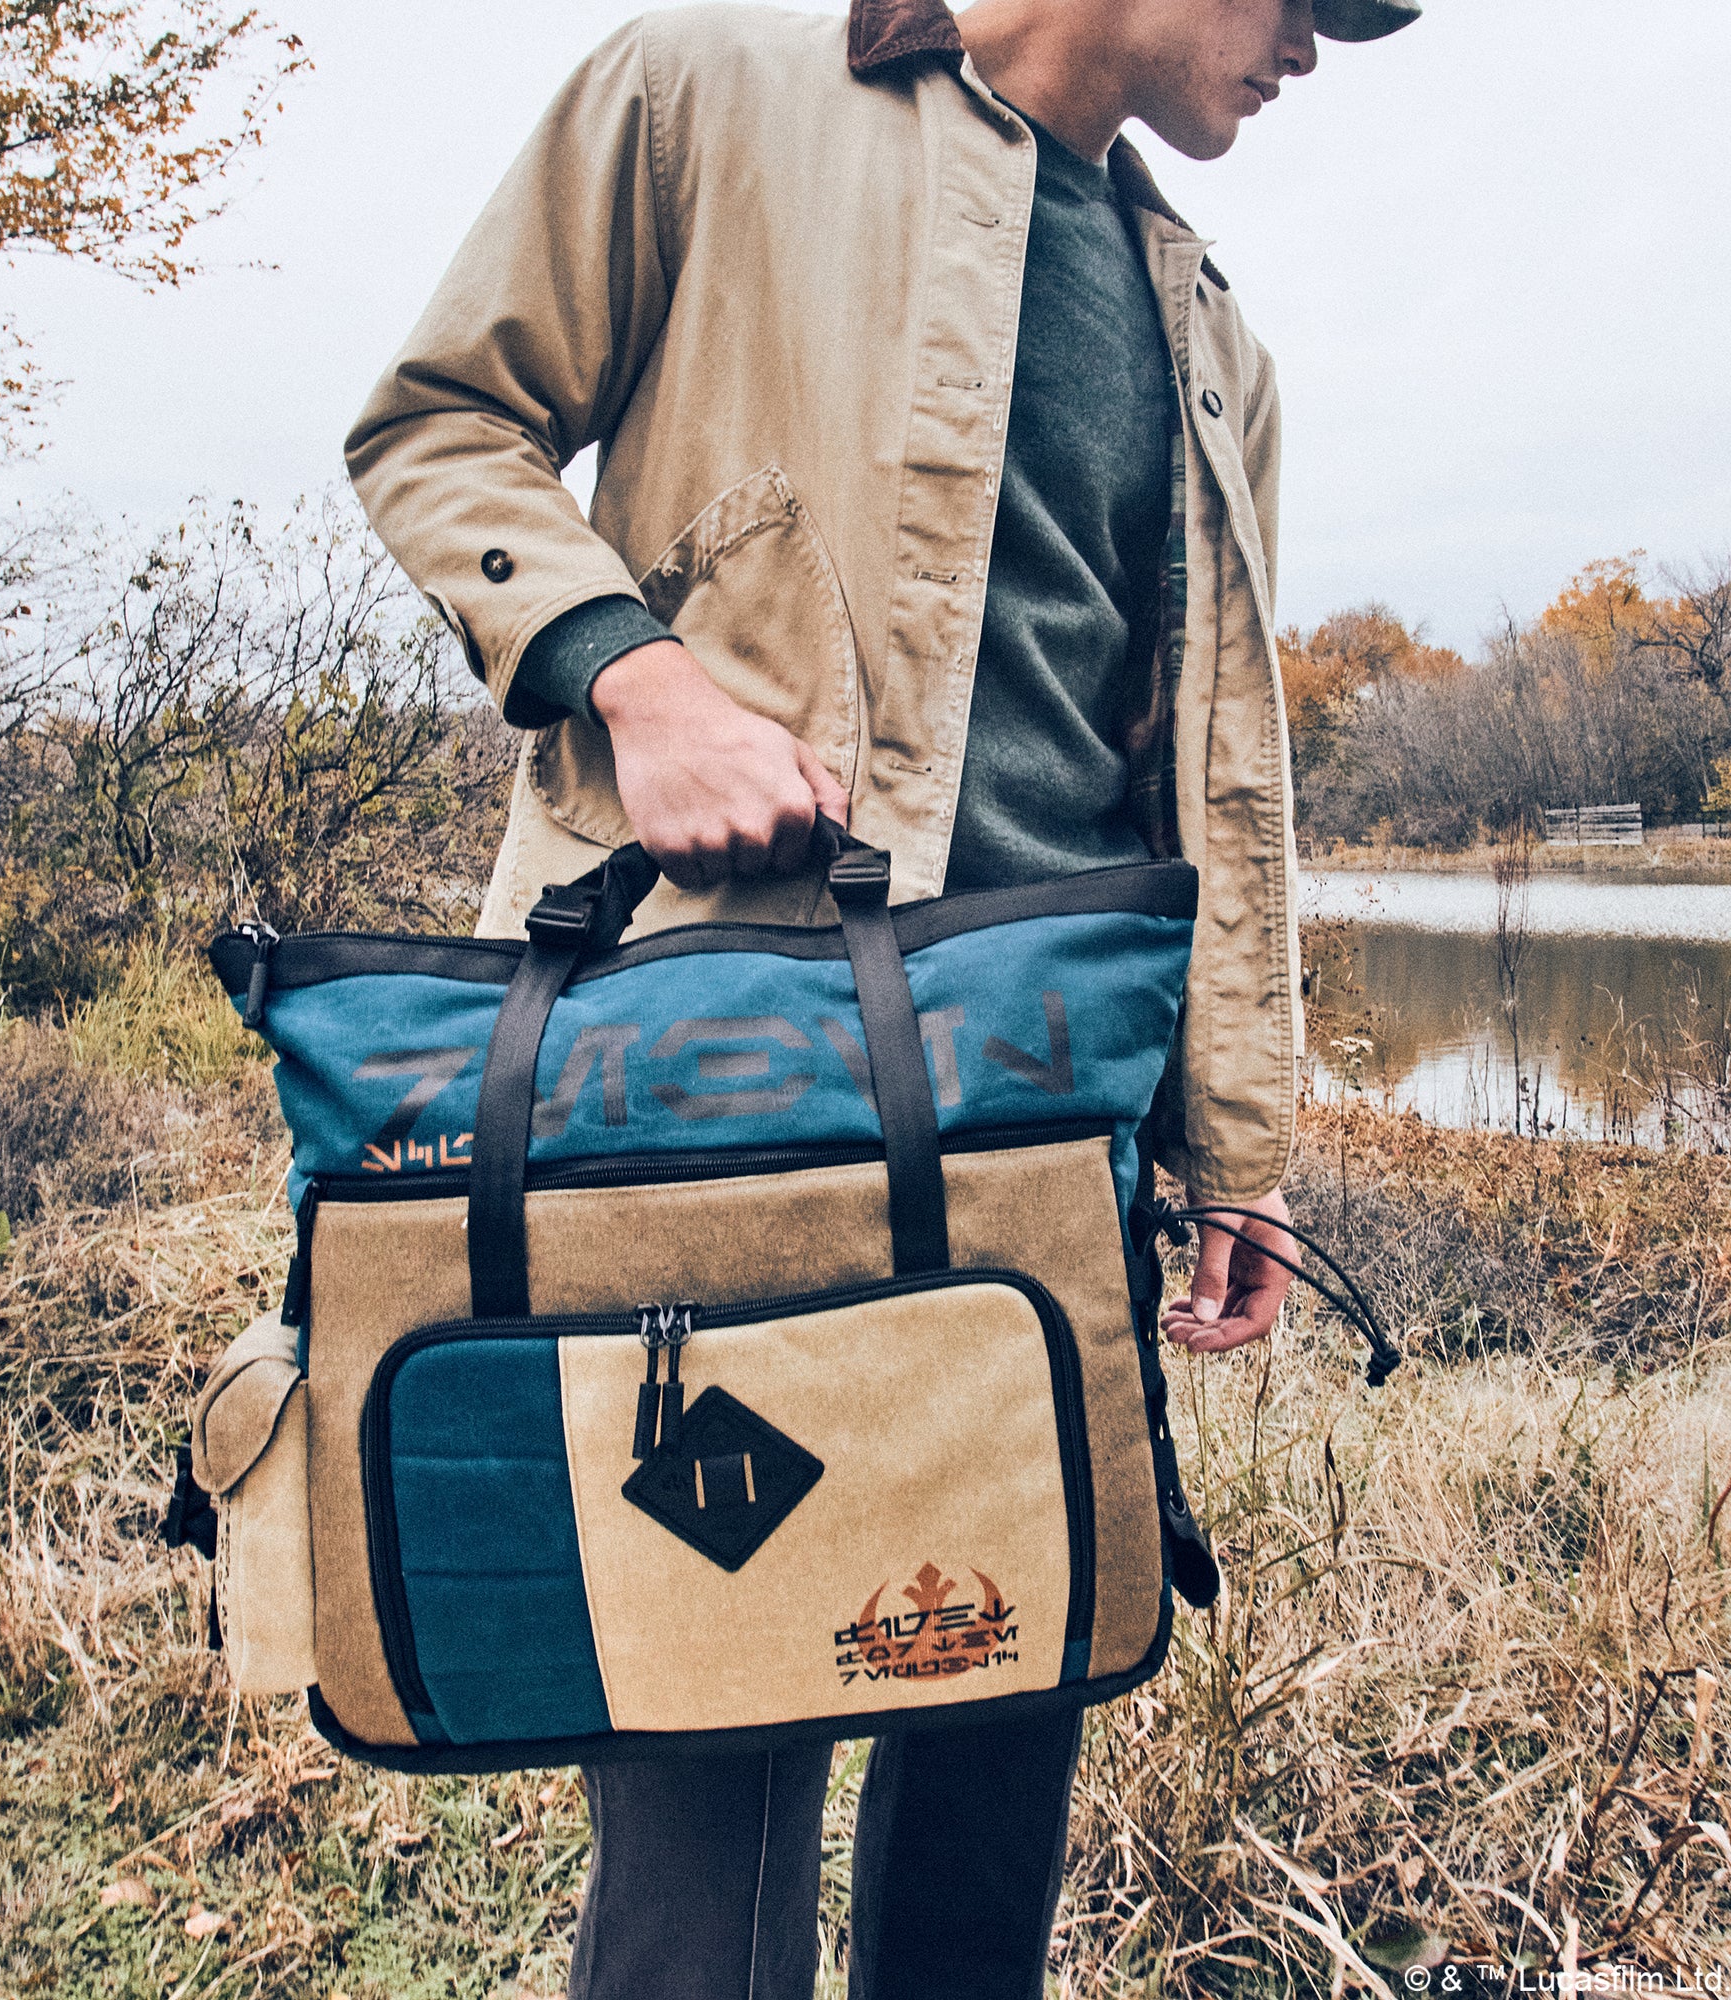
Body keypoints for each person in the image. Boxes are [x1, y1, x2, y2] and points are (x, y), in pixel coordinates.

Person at [346, 0, 1421, 1991]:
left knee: (1005, 1721)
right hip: (725, 1100)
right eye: (1314, 0)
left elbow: (1208, 780)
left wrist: (1235, 1144)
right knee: (710, 1750)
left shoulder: (1210, 334)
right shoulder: (705, 84)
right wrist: (631, 675)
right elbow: (437, 421)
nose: (1320, 47)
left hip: (1050, 1136)